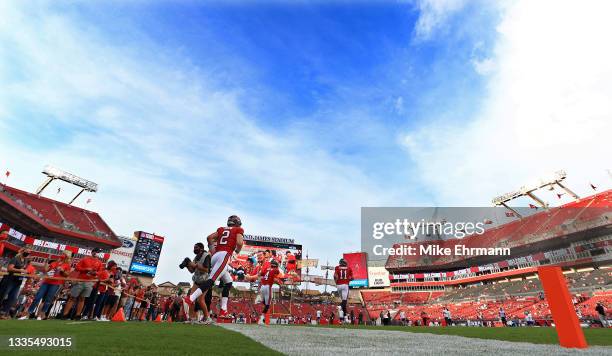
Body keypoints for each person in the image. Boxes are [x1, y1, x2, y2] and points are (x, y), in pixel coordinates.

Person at [183, 215, 244, 318]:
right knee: (211, 280)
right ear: (237, 223)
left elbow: (209, 238)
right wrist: (237, 250)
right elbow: (239, 242)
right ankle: (190, 298)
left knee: (228, 282)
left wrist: (213, 251)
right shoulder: (238, 229)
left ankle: (223, 309)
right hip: (224, 255)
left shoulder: (221, 229)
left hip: (216, 255)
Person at [23, 251, 72, 320]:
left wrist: (62, 271)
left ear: (67, 256)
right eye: (62, 253)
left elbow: (67, 275)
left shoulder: (67, 265)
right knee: (37, 297)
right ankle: (28, 314)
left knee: (48, 299)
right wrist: (46, 263)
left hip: (56, 283)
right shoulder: (54, 263)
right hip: (46, 282)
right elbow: (46, 270)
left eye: (64, 254)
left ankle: (41, 315)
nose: (62, 255)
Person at [62, 248, 104, 320]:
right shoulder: (85, 259)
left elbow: (100, 272)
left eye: (99, 252)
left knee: (82, 299)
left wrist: (95, 273)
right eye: (97, 252)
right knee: (72, 297)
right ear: (92, 252)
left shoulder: (99, 262)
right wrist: (86, 269)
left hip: (89, 282)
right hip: (80, 281)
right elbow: (77, 267)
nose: (97, 253)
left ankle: (78, 315)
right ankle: (65, 314)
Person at [185, 242, 213, 324]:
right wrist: (187, 265)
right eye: (194, 247)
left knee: (201, 300)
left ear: (201, 248)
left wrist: (195, 265)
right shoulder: (196, 256)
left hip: (205, 281)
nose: (194, 249)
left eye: (196, 247)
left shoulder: (206, 255)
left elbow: (206, 269)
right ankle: (191, 318)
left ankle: (207, 317)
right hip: (197, 281)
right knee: (191, 299)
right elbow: (192, 271)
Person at [0, 248, 30, 319]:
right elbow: (9, 268)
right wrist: (20, 270)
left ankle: (3, 313)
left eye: (29, 252)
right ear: (22, 252)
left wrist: (24, 271)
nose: (28, 253)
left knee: (12, 298)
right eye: (27, 252)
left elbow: (23, 269)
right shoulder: (15, 259)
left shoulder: (25, 260)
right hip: (10, 280)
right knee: (2, 295)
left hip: (18, 281)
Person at [257, 259, 283, 326]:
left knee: (265, 304)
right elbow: (276, 274)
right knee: (267, 305)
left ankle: (261, 300)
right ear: (275, 266)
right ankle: (261, 319)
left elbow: (260, 274)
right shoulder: (275, 270)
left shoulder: (266, 269)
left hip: (262, 286)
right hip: (268, 287)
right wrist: (280, 283)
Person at [334, 258, 353, 323]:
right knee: (344, 301)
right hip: (345, 285)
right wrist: (348, 279)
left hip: (339, 285)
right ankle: (340, 307)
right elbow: (352, 278)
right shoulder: (349, 268)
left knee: (344, 302)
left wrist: (336, 282)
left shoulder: (337, 267)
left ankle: (344, 317)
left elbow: (335, 276)